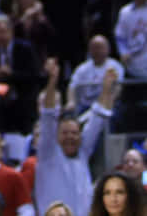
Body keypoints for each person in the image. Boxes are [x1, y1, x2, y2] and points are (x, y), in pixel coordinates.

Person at [34, 58, 116, 216]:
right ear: (56, 136)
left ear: (80, 136)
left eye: (74, 133)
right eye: (65, 133)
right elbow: (48, 115)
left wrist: (106, 88)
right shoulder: (48, 153)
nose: (70, 137)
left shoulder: (83, 153)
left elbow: (98, 118)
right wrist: (52, 81)